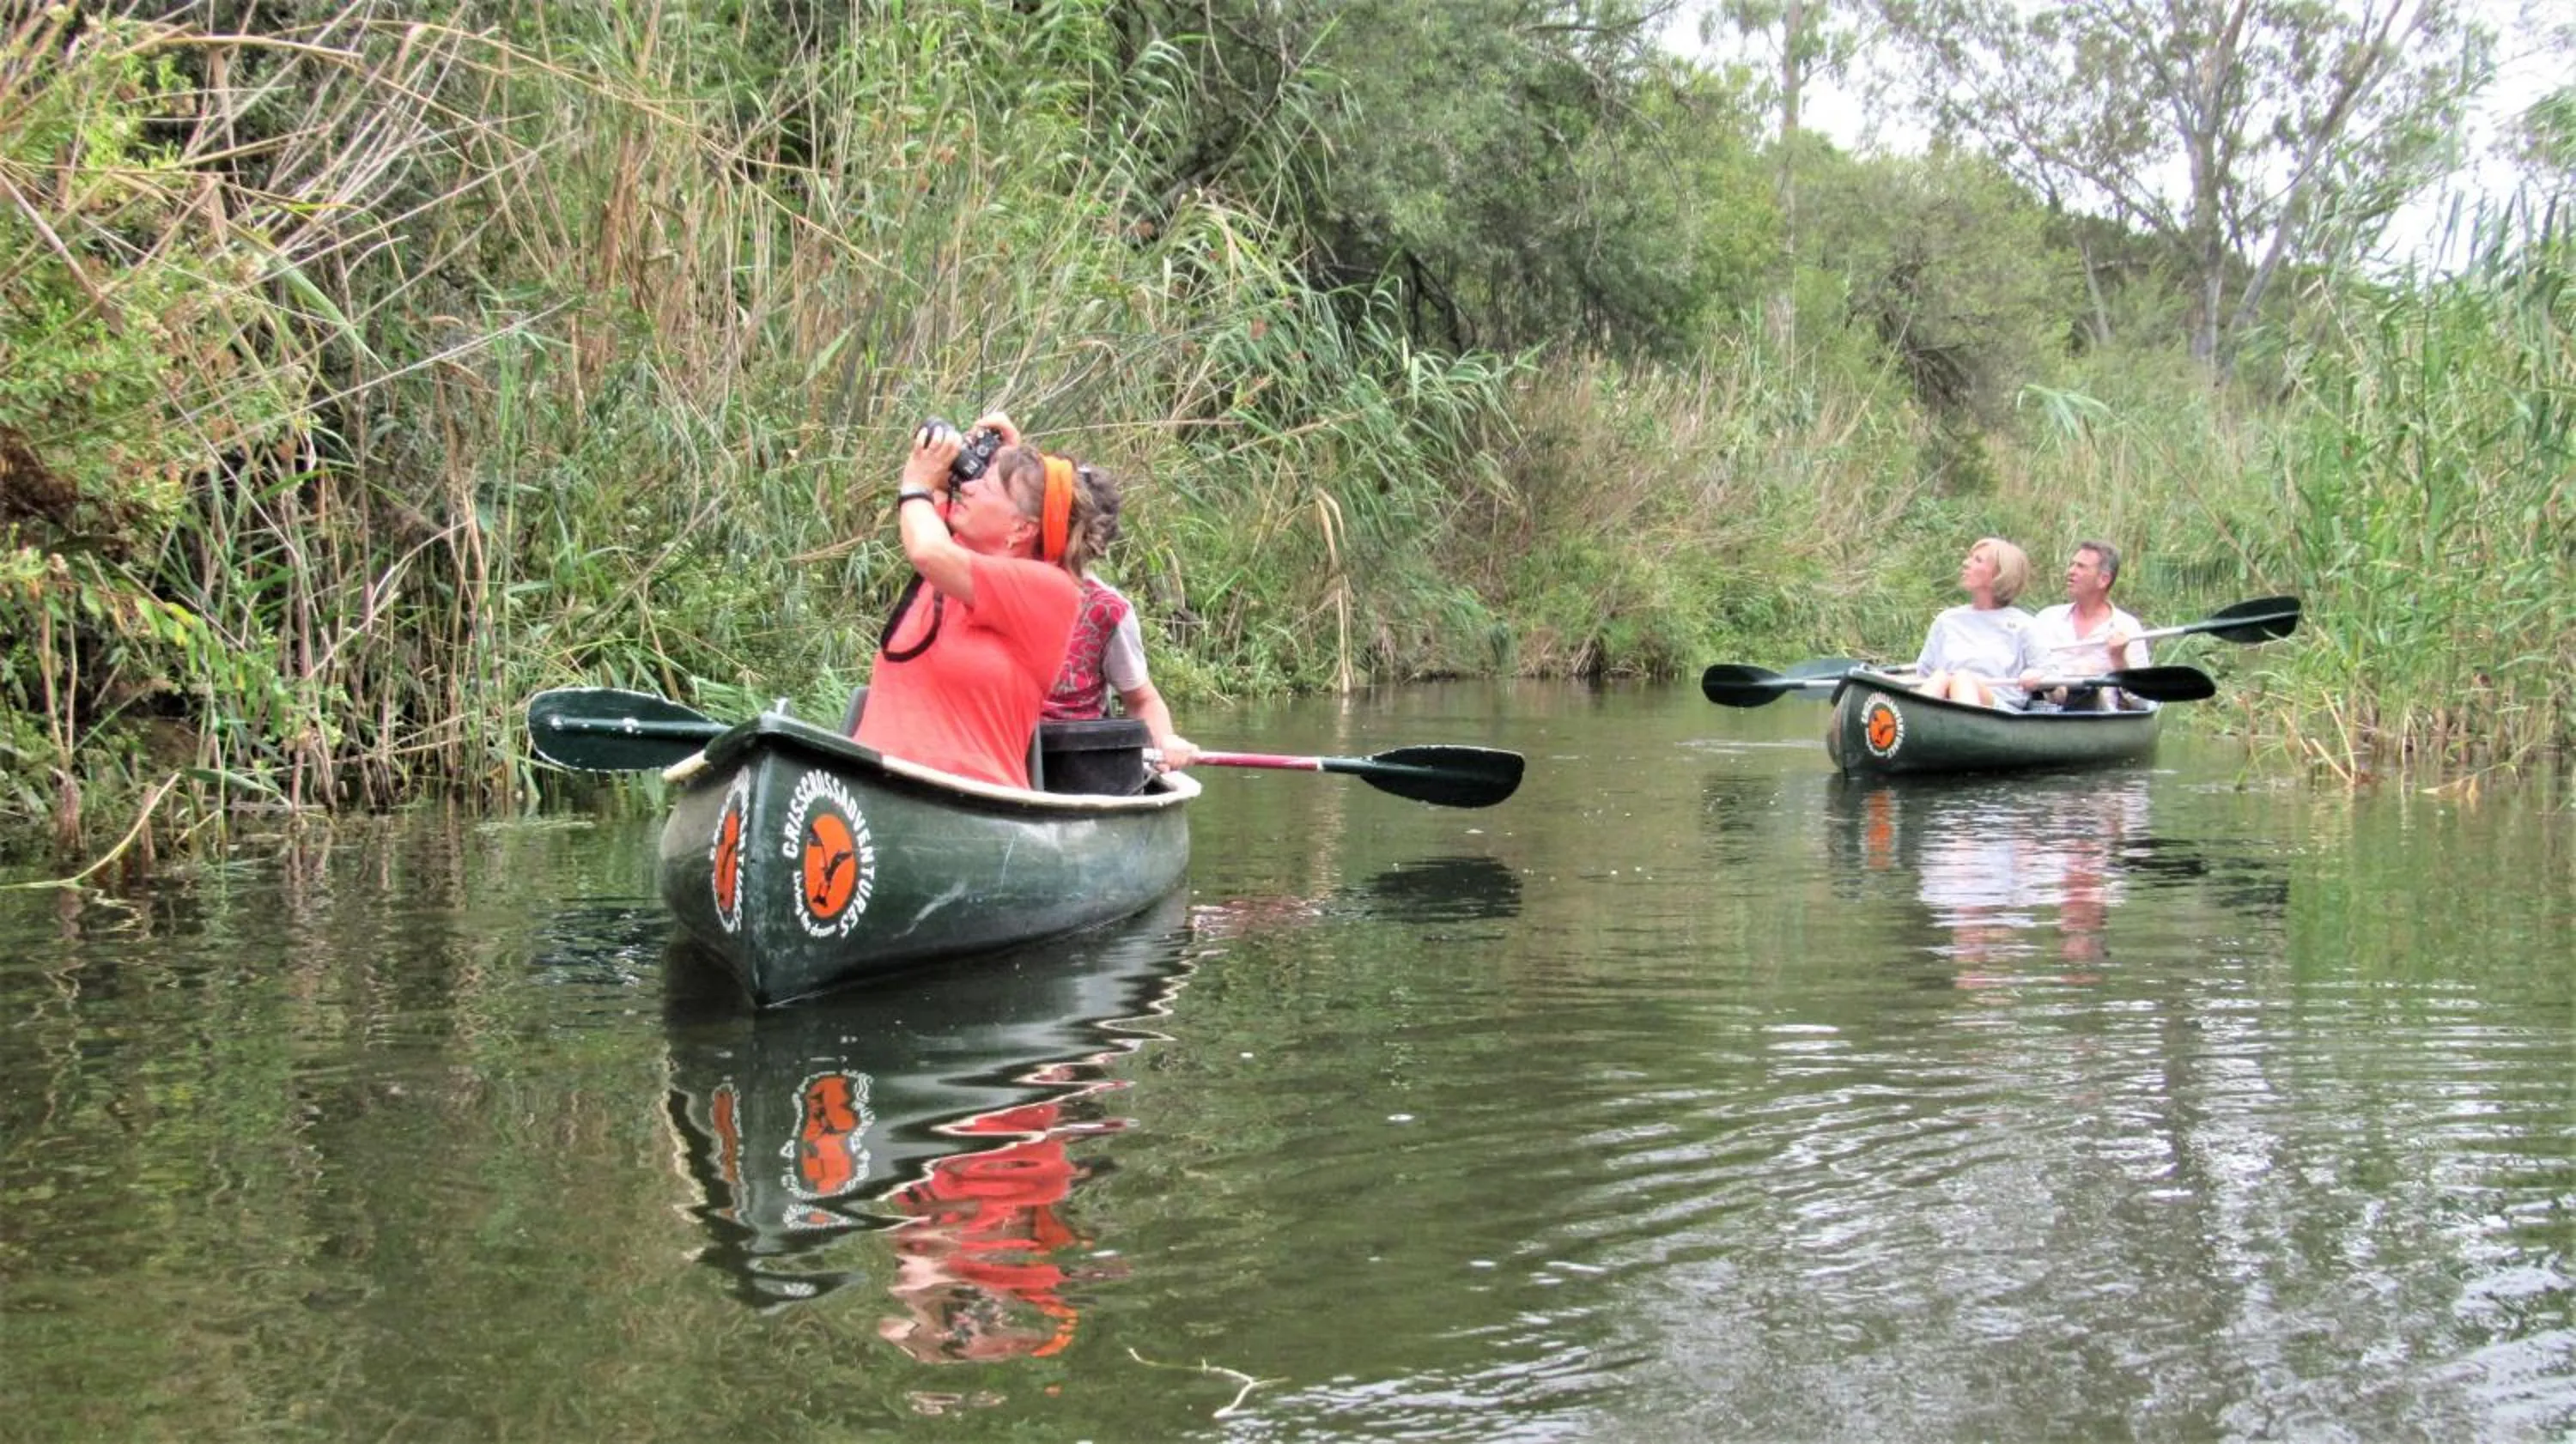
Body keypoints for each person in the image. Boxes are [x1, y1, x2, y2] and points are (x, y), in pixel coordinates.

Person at [851, 417, 1093, 789]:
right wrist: (999, 456)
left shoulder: (1051, 590)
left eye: (987, 486)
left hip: (967, 801)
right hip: (870, 789)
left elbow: (927, 548)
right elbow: (933, 525)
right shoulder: (963, 550)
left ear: (1022, 529)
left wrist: (915, 483)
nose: (970, 487)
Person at [965, 418, 1200, 770]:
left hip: (1073, 765)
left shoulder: (1108, 609)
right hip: (990, 750)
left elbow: (1141, 698)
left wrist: (1164, 741)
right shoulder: (985, 569)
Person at [1913, 537, 2043, 708]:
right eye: (1969, 557)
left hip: (2000, 712)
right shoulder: (1947, 620)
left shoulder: (2024, 625)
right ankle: (1919, 723)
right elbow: (1923, 676)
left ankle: (1964, 728)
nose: (1966, 563)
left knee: (1963, 679)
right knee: (1940, 677)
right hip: (1944, 703)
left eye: (1977, 560)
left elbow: (2058, 689)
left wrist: (2038, 676)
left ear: (1999, 574)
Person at [2020, 539, 2150, 711]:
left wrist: (2119, 660)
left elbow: (2142, 702)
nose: (2071, 572)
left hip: (2097, 719)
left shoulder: (2126, 627)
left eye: (2081, 567)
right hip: (2047, 711)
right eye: (2072, 565)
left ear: (2103, 580)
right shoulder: (2047, 618)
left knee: (2086, 684)